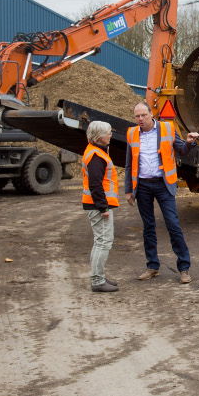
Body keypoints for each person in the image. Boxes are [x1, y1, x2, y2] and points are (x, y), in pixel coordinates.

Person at [125, 102, 199, 283]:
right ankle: (152, 266)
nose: (140, 119)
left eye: (143, 115)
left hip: (163, 185)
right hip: (142, 186)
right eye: (137, 116)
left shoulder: (168, 128)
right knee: (148, 227)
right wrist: (129, 190)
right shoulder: (132, 133)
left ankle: (184, 268)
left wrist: (190, 143)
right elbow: (129, 163)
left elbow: (182, 151)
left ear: (152, 114)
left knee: (173, 225)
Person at [82, 120, 119, 293]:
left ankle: (99, 277)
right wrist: (103, 207)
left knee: (100, 242)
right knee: (103, 242)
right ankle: (97, 280)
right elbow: (95, 184)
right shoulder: (97, 156)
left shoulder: (95, 152)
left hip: (94, 205)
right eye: (108, 133)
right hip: (98, 206)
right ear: (98, 137)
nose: (110, 135)